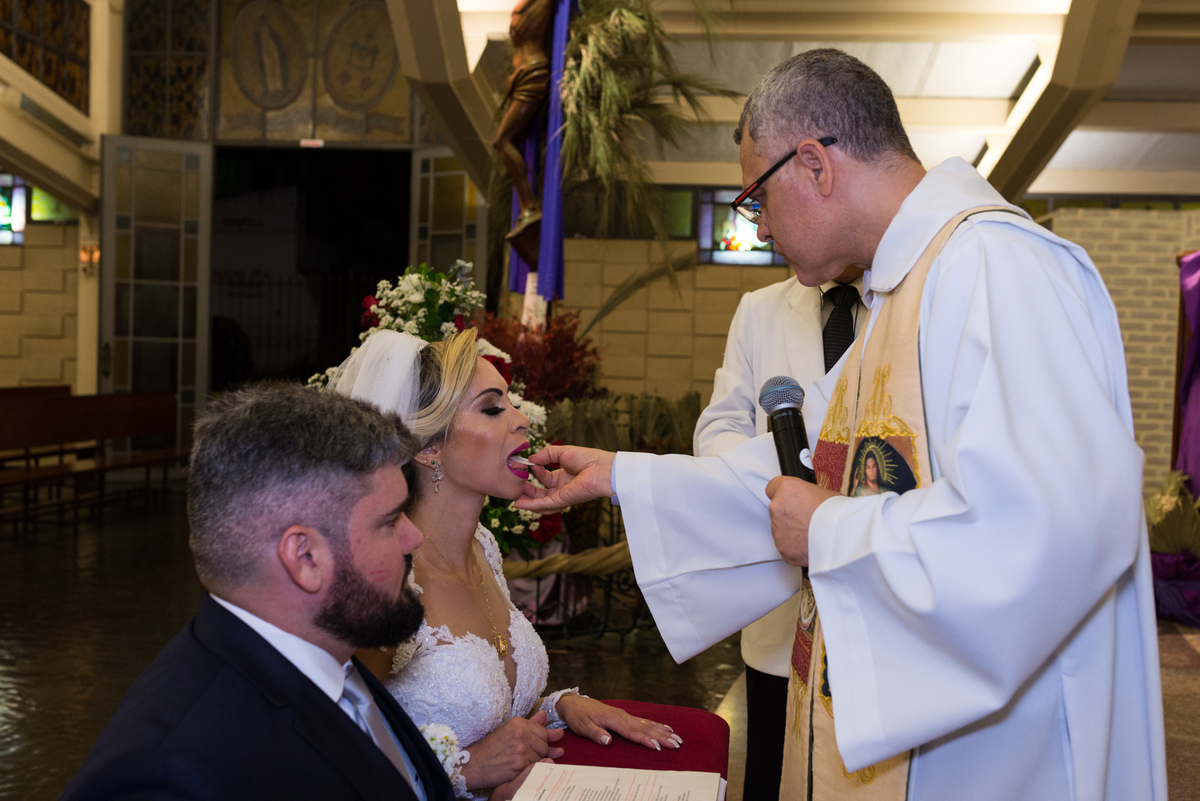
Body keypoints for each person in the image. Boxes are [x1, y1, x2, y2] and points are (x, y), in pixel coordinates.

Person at [516, 49, 1167, 801]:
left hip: (1000, 763)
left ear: (816, 165)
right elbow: (797, 473)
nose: (759, 228)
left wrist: (830, 532)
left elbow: (1050, 530)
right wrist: (620, 475)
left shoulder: (995, 267)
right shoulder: (897, 299)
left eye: (756, 200)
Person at [61, 385, 461, 801]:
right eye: (390, 520)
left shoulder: (326, 648)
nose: (413, 538)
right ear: (304, 557)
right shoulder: (168, 778)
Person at [328, 328, 680, 800]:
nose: (520, 420)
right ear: (428, 447)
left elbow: (490, 704)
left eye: (512, 403)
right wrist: (463, 770)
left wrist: (560, 706)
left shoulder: (484, 547)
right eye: (493, 408)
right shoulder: (392, 578)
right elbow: (332, 746)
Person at [693, 268, 864, 801]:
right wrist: (780, 481)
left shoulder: (903, 300)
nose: (764, 226)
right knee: (771, 770)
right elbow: (718, 427)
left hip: (872, 581)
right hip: (782, 616)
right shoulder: (760, 308)